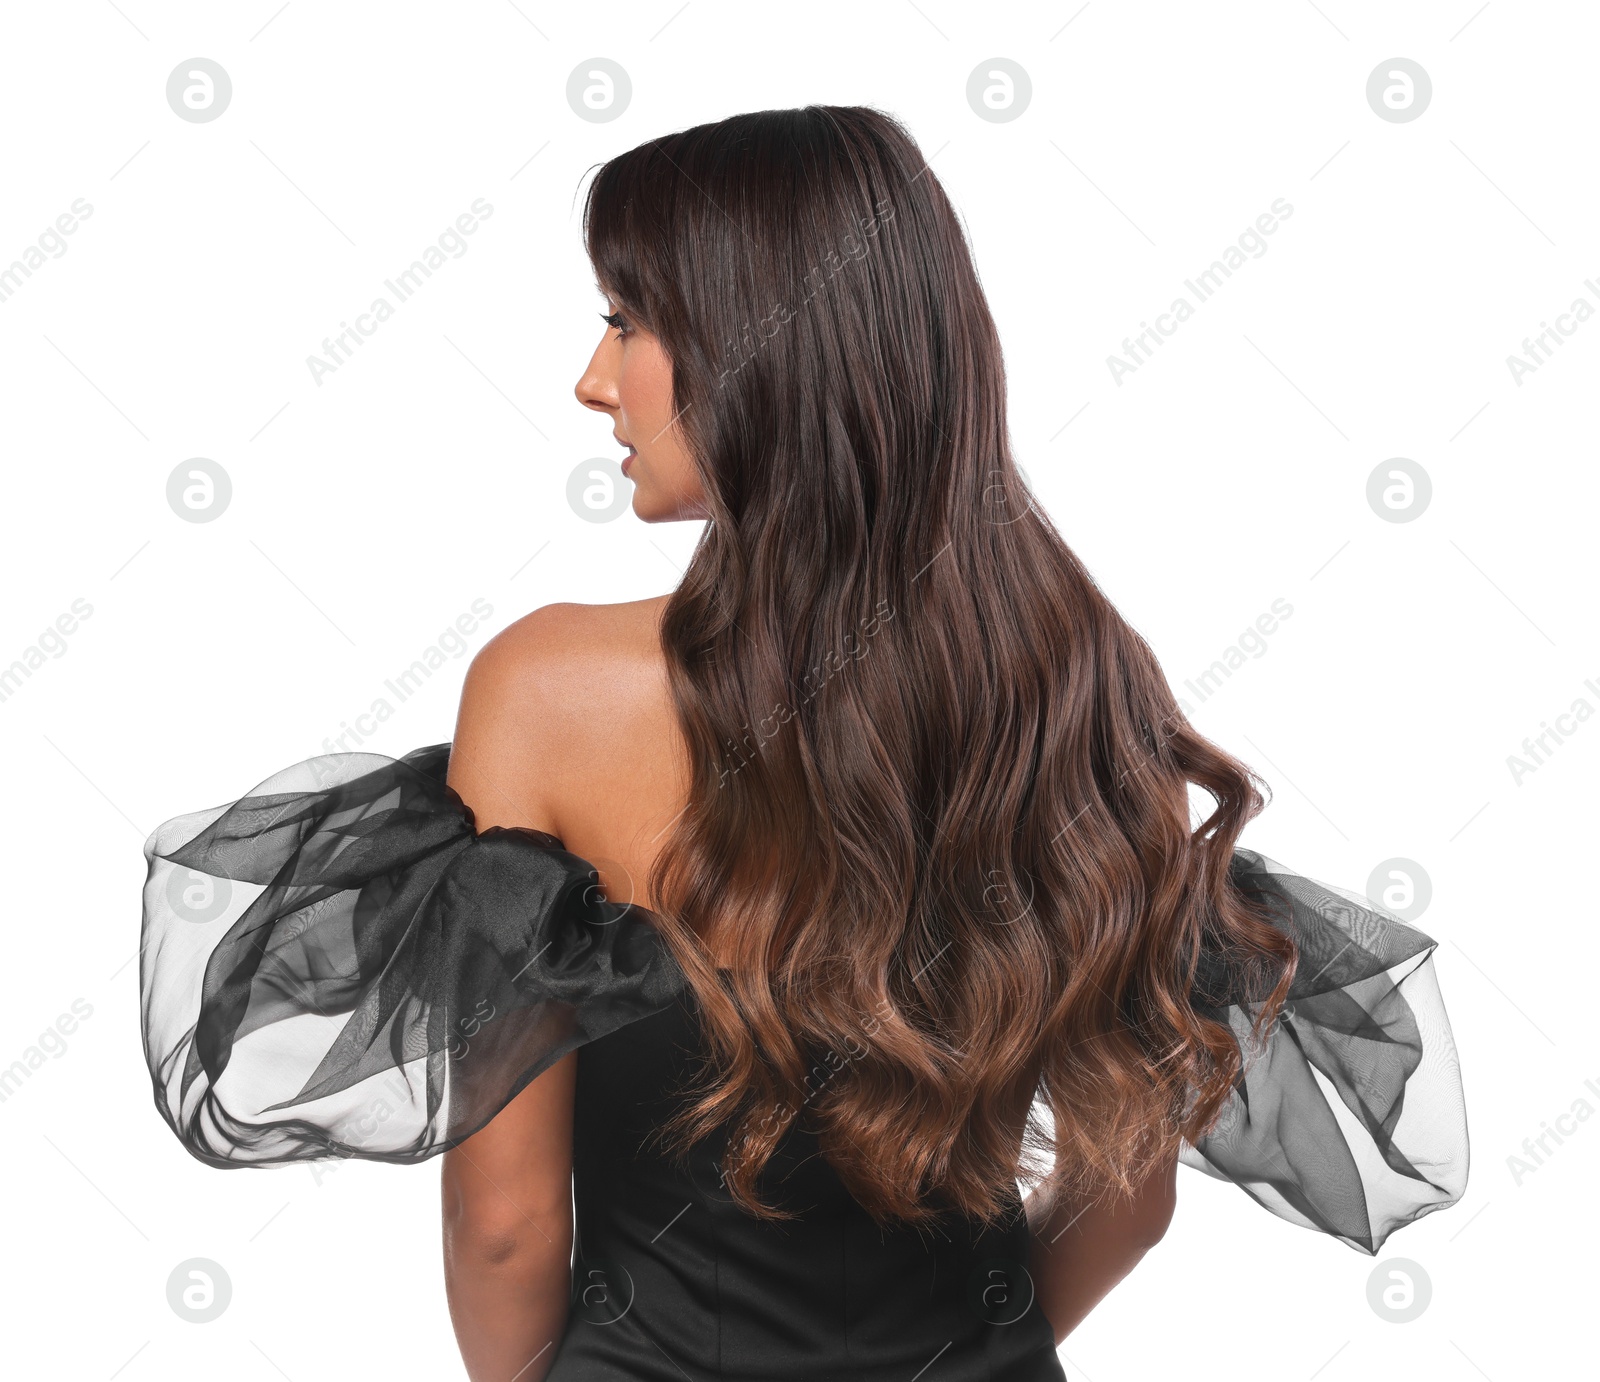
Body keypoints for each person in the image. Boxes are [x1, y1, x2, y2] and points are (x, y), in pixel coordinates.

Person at [139, 106, 1469, 1382]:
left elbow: (506, 1225)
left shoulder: (546, 692)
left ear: (759, 348)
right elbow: (1129, 1197)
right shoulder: (1063, 688)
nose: (594, 379)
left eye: (627, 321)